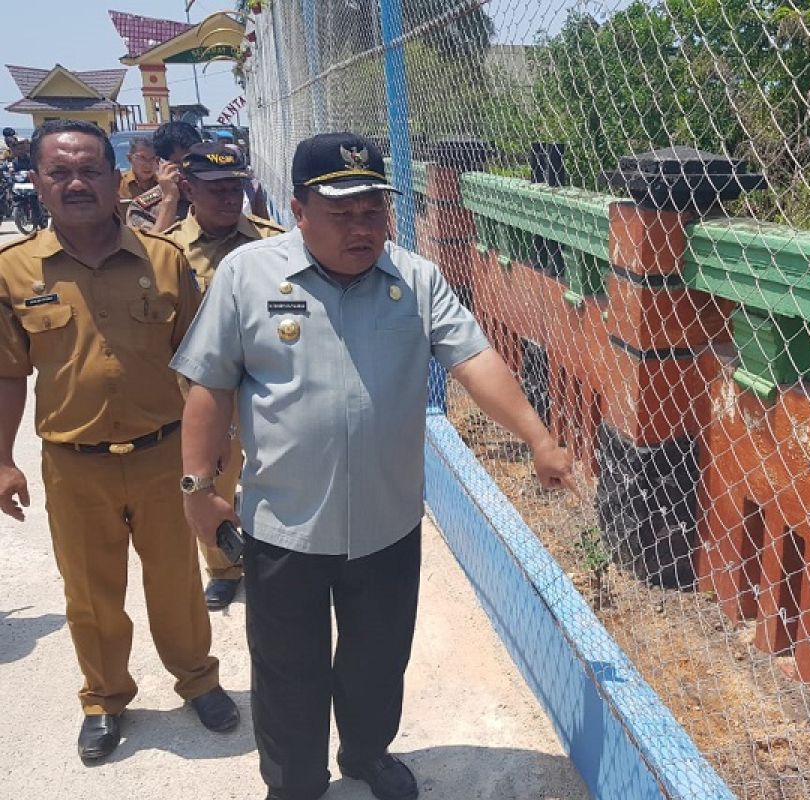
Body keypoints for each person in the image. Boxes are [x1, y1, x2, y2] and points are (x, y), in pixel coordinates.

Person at [172, 132, 573, 800]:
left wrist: (536, 435)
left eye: (373, 210)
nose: (362, 227)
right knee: (288, 672)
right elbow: (209, 385)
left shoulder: (415, 278)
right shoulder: (248, 276)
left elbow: (474, 359)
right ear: (299, 210)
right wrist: (196, 488)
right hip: (285, 527)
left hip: (387, 524)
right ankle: (294, 781)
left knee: (378, 661)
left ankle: (366, 754)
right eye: (342, 211)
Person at [0, 119, 239, 764]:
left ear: (114, 179)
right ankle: (104, 699)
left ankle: (198, 681)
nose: (76, 183)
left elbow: (201, 366)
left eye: (89, 171)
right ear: (39, 183)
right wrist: (2, 461)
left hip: (162, 454)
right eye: (59, 172)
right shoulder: (15, 270)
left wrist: (210, 457)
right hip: (74, 464)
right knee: (90, 591)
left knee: (176, 582)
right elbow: (7, 374)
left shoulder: (164, 261)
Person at [164, 141, 285, 610]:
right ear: (189, 188)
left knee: (276, 477)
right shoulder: (169, 249)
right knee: (211, 476)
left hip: (266, 385)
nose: (228, 197)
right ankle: (223, 566)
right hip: (203, 393)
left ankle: (281, 557)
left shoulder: (271, 242)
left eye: (235, 186)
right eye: (215, 188)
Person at [127, 121, 201, 233]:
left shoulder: (215, 193)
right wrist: (170, 199)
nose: (188, 172)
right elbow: (152, 248)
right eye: (179, 165)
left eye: (193, 162)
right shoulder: (142, 209)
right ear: (159, 163)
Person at [119, 135, 158, 200]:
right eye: (142, 158)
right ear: (129, 158)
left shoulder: (163, 184)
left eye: (152, 158)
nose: (148, 164)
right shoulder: (119, 184)